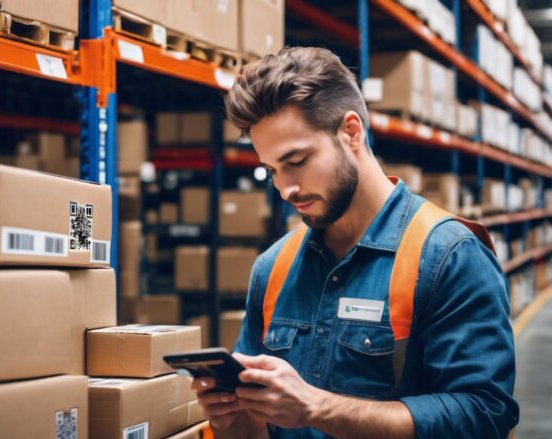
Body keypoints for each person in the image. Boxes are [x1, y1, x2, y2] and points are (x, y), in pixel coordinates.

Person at [191, 46, 519, 438]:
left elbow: (484, 413)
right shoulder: (272, 268)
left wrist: (318, 407)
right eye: (271, 170)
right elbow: (255, 431)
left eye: (296, 162)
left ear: (351, 132)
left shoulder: (448, 255)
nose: (285, 189)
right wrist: (234, 418)